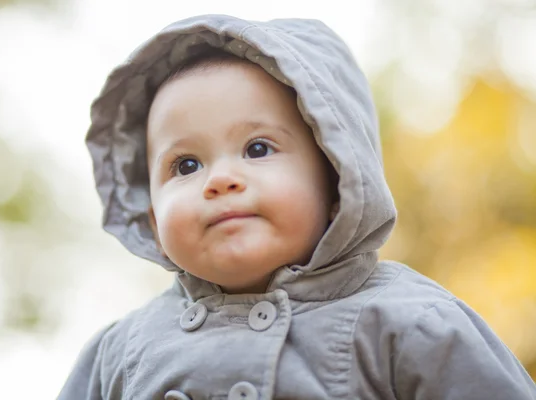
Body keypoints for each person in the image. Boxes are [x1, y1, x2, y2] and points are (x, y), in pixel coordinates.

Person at [58, 14, 536, 400]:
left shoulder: (412, 322)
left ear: (336, 180)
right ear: (153, 219)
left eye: (258, 149)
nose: (221, 179)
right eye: (185, 165)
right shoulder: (119, 353)